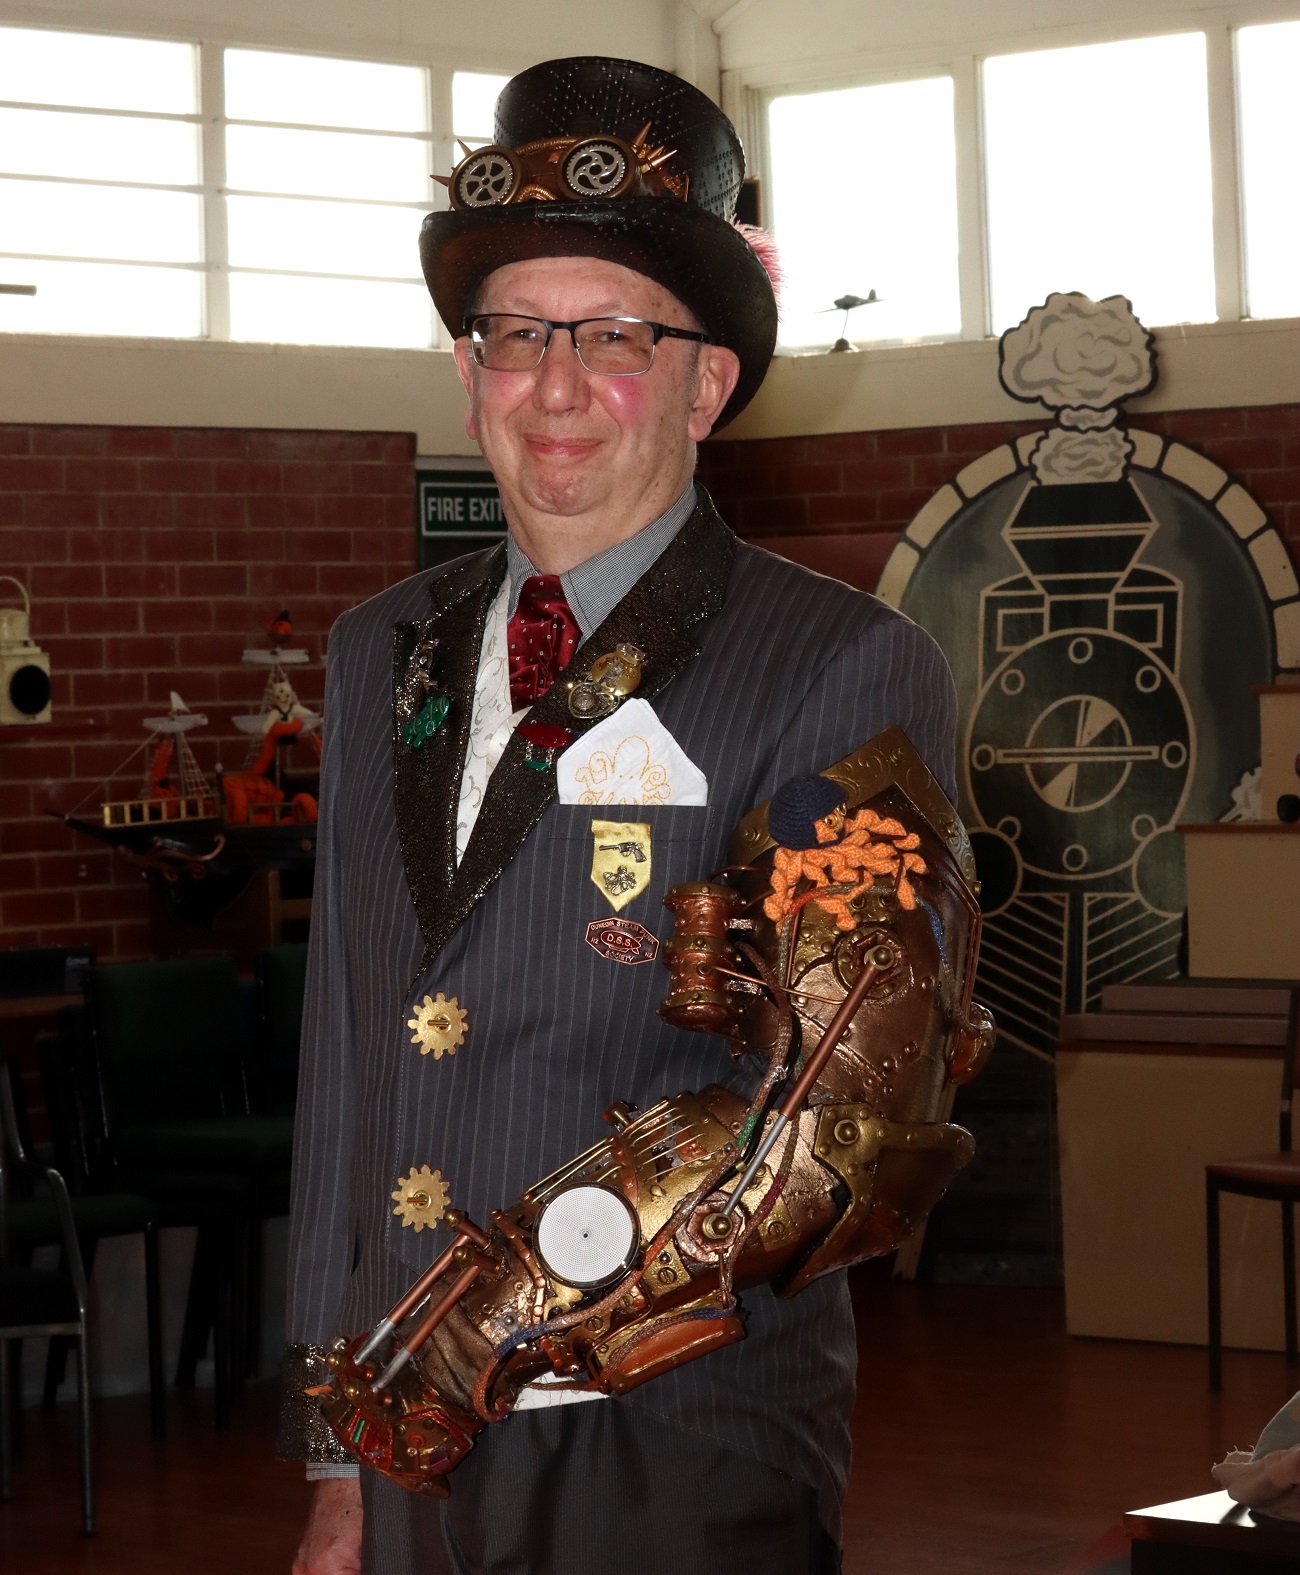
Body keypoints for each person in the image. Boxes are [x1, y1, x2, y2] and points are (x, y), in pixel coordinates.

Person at [281, 55, 957, 1575]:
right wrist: (342, 1443)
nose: (560, 386)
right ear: (469, 372)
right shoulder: (374, 649)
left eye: (617, 338)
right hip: (404, 1440)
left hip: (680, 1435)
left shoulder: (845, 664)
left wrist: (491, 1331)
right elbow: (348, 1057)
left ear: (708, 382)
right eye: (521, 335)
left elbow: (847, 1125)